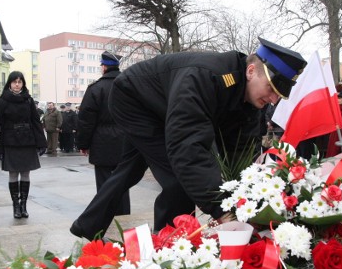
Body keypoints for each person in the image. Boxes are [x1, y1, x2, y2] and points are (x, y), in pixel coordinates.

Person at [70, 37, 307, 240]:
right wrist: (220, 209)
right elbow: (188, 148)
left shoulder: (247, 96)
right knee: (177, 179)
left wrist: (244, 198)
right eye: (271, 88)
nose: (274, 99)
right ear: (251, 71)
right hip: (135, 100)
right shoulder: (204, 78)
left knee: (129, 170)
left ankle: (87, 225)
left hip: (163, 104)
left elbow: (239, 151)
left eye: (279, 95)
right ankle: (170, 248)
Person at [76, 51, 131, 217]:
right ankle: (124, 219)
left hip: (102, 144)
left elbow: (86, 120)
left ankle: (106, 219)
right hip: (126, 142)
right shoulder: (129, 86)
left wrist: (83, 144)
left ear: (104, 67)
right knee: (123, 184)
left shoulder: (95, 88)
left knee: (104, 185)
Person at [0, 71, 47, 219]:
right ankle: (15, 206)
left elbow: (36, 121)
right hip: (10, 141)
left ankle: (23, 205)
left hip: (27, 140)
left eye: (20, 82)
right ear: (10, 84)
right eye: (14, 82)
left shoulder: (28, 100)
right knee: (13, 173)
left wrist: (41, 142)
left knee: (25, 173)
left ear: (23, 84)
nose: (17, 84)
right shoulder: (3, 100)